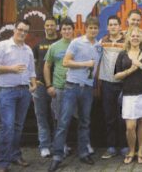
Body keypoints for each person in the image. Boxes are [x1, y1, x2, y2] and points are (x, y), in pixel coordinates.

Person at [48, 17, 102, 172]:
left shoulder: (99, 47)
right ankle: (57, 156)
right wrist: (85, 64)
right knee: (63, 121)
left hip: (87, 89)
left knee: (85, 122)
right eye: (90, 28)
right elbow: (66, 62)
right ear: (86, 28)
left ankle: (84, 153)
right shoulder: (76, 42)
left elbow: (95, 70)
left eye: (95, 28)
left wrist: (95, 85)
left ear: (98, 29)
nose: (93, 30)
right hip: (71, 87)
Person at [0, 19, 37, 172]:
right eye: (20, 29)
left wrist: (33, 84)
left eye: (25, 31)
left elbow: (31, 71)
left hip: (24, 92)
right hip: (6, 91)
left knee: (18, 126)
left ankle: (15, 155)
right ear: (14, 29)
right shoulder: (3, 46)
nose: (22, 33)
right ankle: (3, 163)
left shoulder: (28, 49)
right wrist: (11, 69)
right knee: (8, 126)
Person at [114, 26, 142, 164]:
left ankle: (140, 152)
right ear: (128, 37)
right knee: (130, 126)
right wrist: (130, 70)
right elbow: (116, 75)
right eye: (132, 36)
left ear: (141, 39)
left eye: (138, 36)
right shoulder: (122, 54)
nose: (135, 38)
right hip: (129, 95)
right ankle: (131, 150)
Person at [43, 18, 75, 158]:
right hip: (59, 88)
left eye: (69, 29)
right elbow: (47, 66)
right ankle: (61, 146)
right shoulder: (54, 46)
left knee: (77, 117)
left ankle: (79, 145)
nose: (67, 31)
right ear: (60, 31)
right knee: (59, 119)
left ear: (73, 30)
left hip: (75, 87)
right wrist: (49, 85)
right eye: (64, 29)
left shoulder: (78, 44)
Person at [98, 15, 127, 159]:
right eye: (111, 24)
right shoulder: (102, 41)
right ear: (107, 27)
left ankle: (124, 146)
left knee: (123, 116)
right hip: (107, 83)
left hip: (123, 84)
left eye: (116, 24)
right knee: (109, 116)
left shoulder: (126, 41)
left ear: (120, 26)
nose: (113, 27)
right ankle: (111, 147)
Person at [32, 16, 59, 158]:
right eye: (47, 25)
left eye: (52, 25)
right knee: (41, 117)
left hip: (57, 86)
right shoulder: (38, 45)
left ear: (56, 27)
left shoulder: (62, 43)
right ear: (45, 27)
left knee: (58, 118)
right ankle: (44, 146)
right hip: (41, 86)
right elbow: (34, 64)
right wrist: (34, 81)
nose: (49, 27)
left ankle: (58, 145)